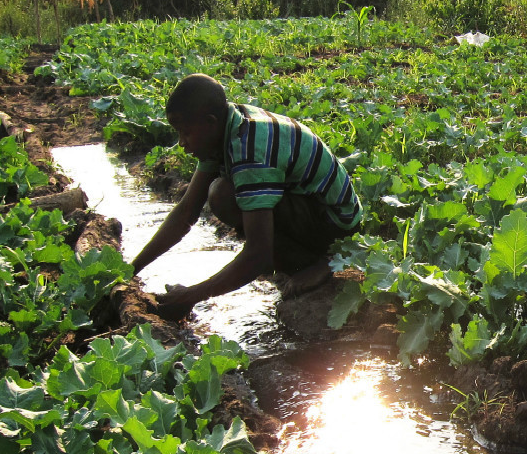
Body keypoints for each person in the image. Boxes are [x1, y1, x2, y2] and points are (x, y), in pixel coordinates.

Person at [132, 74, 363, 320]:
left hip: (334, 225)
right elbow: (186, 212)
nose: (182, 143)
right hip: (305, 207)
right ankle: (302, 258)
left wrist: (190, 296)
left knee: (223, 196)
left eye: (185, 133)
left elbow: (257, 255)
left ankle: (321, 261)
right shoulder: (223, 128)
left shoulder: (249, 147)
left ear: (210, 122)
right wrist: (131, 269)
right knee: (223, 194)